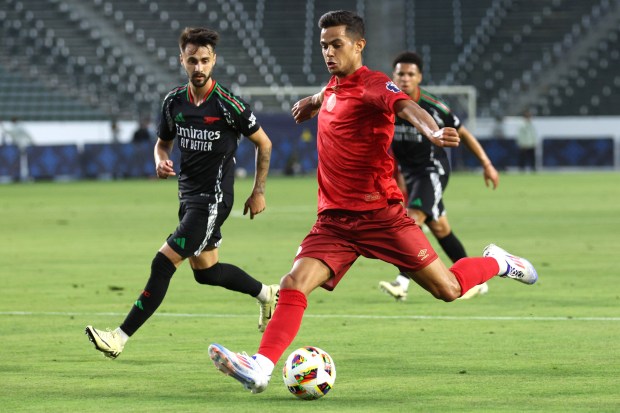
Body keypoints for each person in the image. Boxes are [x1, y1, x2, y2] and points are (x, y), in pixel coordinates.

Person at [207, 10, 537, 394]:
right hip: (333, 222)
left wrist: (431, 131)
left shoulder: (376, 85)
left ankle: (498, 261)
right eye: (324, 46)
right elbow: (328, 93)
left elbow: (405, 107)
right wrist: (312, 101)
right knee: (293, 282)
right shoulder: (331, 87)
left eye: (336, 45)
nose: (329, 52)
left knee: (447, 289)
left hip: (381, 216)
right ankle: (260, 368)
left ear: (359, 45)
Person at [85, 27, 279, 359]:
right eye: (193, 60)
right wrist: (161, 161)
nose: (199, 67)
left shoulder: (229, 104)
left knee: (163, 262)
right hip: (188, 198)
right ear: (182, 61)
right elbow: (163, 144)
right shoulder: (173, 102)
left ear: (214, 60)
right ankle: (266, 293)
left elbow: (264, 142)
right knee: (207, 272)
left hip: (214, 200)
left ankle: (118, 337)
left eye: (205, 60)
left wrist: (258, 191)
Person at [379, 51, 500, 302]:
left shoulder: (434, 107)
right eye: (400, 73)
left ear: (419, 77)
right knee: (440, 228)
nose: (405, 78)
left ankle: (401, 283)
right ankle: (477, 280)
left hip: (433, 171)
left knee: (411, 221)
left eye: (411, 74)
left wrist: (486, 164)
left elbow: (463, 133)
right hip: (411, 176)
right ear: (394, 76)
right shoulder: (388, 105)